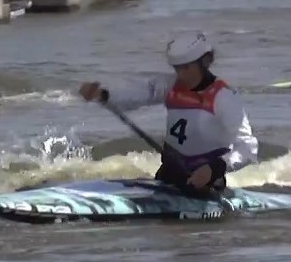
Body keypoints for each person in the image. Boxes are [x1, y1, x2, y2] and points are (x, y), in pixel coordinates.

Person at [78, 32, 259, 195]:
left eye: (187, 67)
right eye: (177, 68)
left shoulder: (224, 97)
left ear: (205, 62)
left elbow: (248, 146)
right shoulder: (171, 86)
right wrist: (103, 94)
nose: (182, 74)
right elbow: (137, 93)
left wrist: (215, 168)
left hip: (205, 182)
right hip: (170, 173)